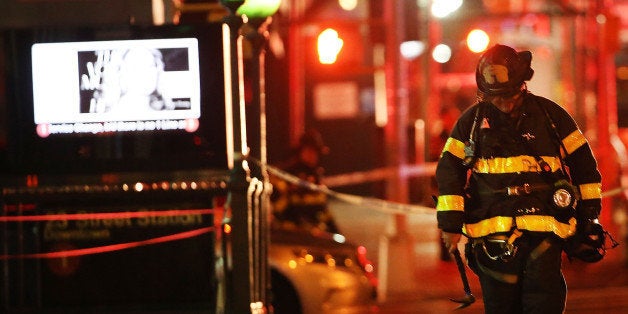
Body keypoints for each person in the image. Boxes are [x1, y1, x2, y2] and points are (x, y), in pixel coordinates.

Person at [435, 44, 610, 313]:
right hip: (491, 234)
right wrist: (449, 224)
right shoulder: (471, 123)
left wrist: (588, 215)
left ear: (522, 85)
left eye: (509, 96)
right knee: (501, 303)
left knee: (544, 299)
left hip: (546, 229)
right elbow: (449, 170)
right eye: (495, 99)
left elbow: (584, 165)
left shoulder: (551, 116)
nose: (503, 104)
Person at [270, 129, 340, 234]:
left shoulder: (316, 178)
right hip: (289, 235)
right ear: (301, 151)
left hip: (313, 236)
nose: (313, 156)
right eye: (310, 151)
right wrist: (293, 190)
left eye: (316, 152)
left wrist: (338, 236)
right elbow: (278, 211)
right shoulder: (285, 176)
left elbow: (324, 212)